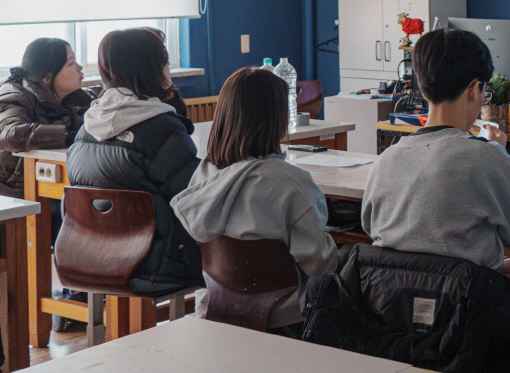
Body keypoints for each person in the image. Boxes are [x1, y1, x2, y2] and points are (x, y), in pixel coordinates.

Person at [361, 27, 510, 278]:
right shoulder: (485, 157)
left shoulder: (386, 159)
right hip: (462, 309)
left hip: (394, 306)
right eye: (485, 91)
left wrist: (493, 267)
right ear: (473, 89)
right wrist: (501, 156)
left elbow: (384, 237)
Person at [171, 67, 337, 334]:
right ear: (277, 118)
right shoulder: (291, 182)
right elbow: (319, 263)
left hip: (215, 307)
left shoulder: (203, 174)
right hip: (284, 318)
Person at [67, 28, 203, 292]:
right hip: (157, 265)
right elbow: (195, 199)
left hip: (87, 256)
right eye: (164, 59)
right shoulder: (163, 129)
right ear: (152, 67)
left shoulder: (86, 130)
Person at [1, 38, 92, 204]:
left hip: (55, 185)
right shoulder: (15, 97)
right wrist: (70, 136)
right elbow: (11, 134)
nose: (80, 68)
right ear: (48, 77)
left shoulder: (81, 98)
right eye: (71, 64)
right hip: (17, 194)